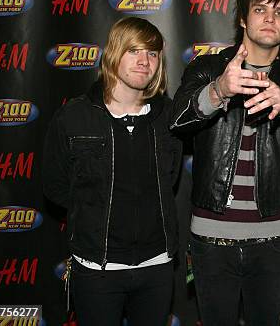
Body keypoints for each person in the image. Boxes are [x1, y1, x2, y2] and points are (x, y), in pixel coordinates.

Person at [169, 0, 280, 325]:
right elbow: (176, 122)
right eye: (260, 10)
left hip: (272, 239)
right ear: (243, 18)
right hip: (211, 238)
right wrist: (218, 91)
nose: (270, 18)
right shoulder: (209, 68)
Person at [42, 17, 182, 325]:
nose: (145, 61)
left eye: (153, 53)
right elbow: (55, 186)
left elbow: (169, 178)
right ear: (114, 53)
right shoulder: (75, 116)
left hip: (157, 267)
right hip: (96, 269)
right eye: (134, 51)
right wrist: (93, 212)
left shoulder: (168, 117)